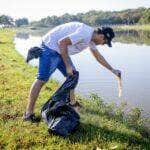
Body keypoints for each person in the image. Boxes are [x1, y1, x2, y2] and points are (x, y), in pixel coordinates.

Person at [23, 22, 121, 122]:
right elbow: (62, 42)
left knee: (73, 76)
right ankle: (28, 114)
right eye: (104, 42)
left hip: (60, 50)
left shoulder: (90, 39)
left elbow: (98, 57)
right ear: (102, 36)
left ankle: (72, 103)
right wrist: (67, 65)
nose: (102, 44)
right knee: (42, 80)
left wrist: (112, 70)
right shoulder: (85, 33)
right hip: (50, 48)